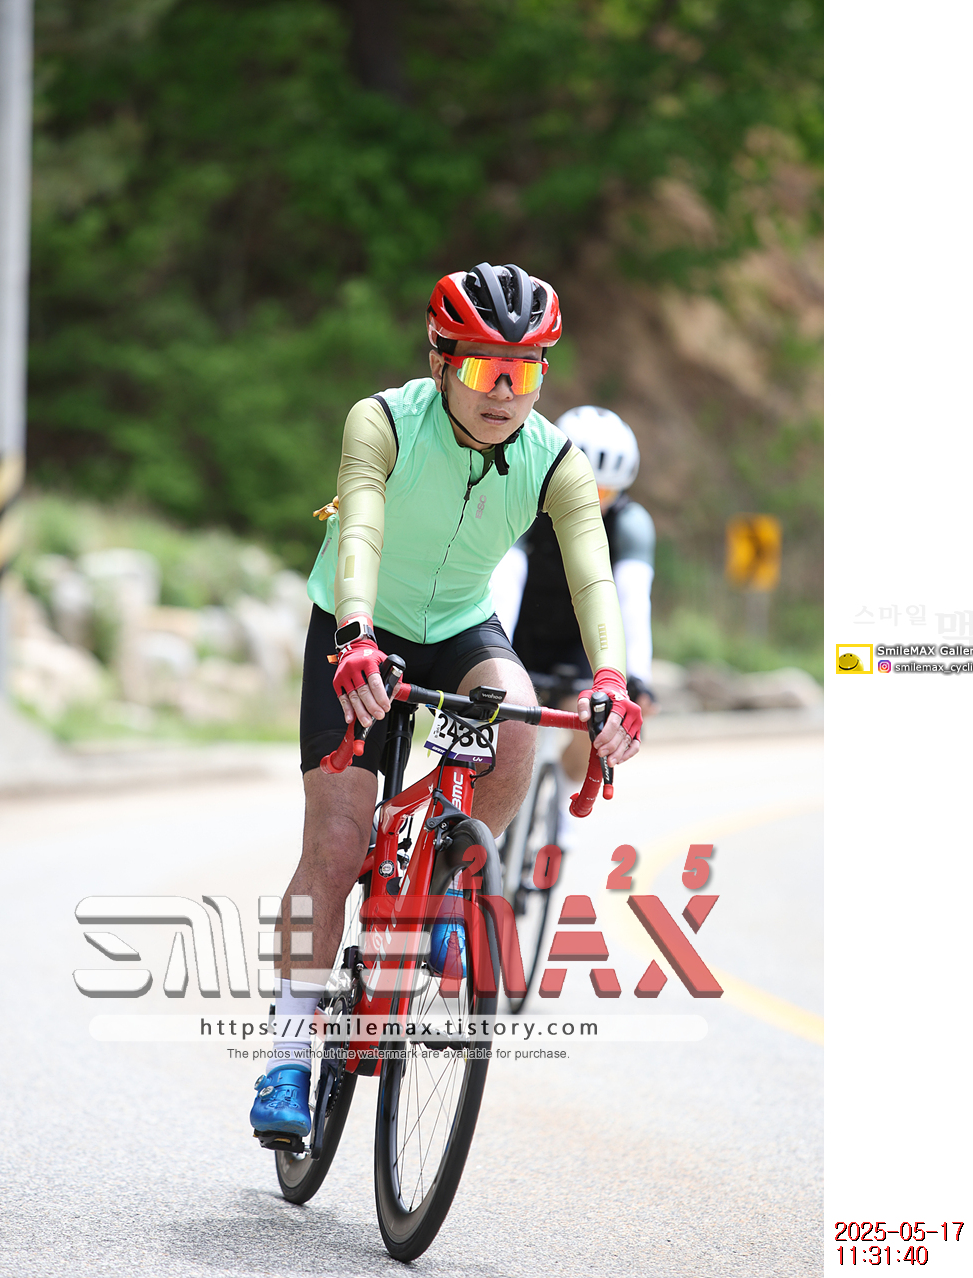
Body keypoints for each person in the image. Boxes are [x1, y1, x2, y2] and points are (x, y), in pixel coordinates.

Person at [250, 263, 643, 1138]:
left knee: (519, 727)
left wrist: (611, 681)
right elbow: (360, 526)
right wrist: (356, 634)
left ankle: (446, 875)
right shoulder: (385, 421)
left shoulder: (556, 461)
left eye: (525, 372)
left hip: (462, 624)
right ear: (439, 362)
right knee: (337, 845)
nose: (505, 393)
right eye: (484, 369)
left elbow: (595, 576)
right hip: (357, 624)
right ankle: (287, 1051)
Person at [491, 405, 658, 846]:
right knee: (498, 726)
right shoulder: (527, 502)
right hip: (518, 633)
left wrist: (636, 677)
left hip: (580, 644)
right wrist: (495, 649)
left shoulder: (630, 525)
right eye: (581, 485)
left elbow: (633, 600)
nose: (590, 501)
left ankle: (561, 803)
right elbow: (506, 580)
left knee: (597, 725)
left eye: (603, 492)